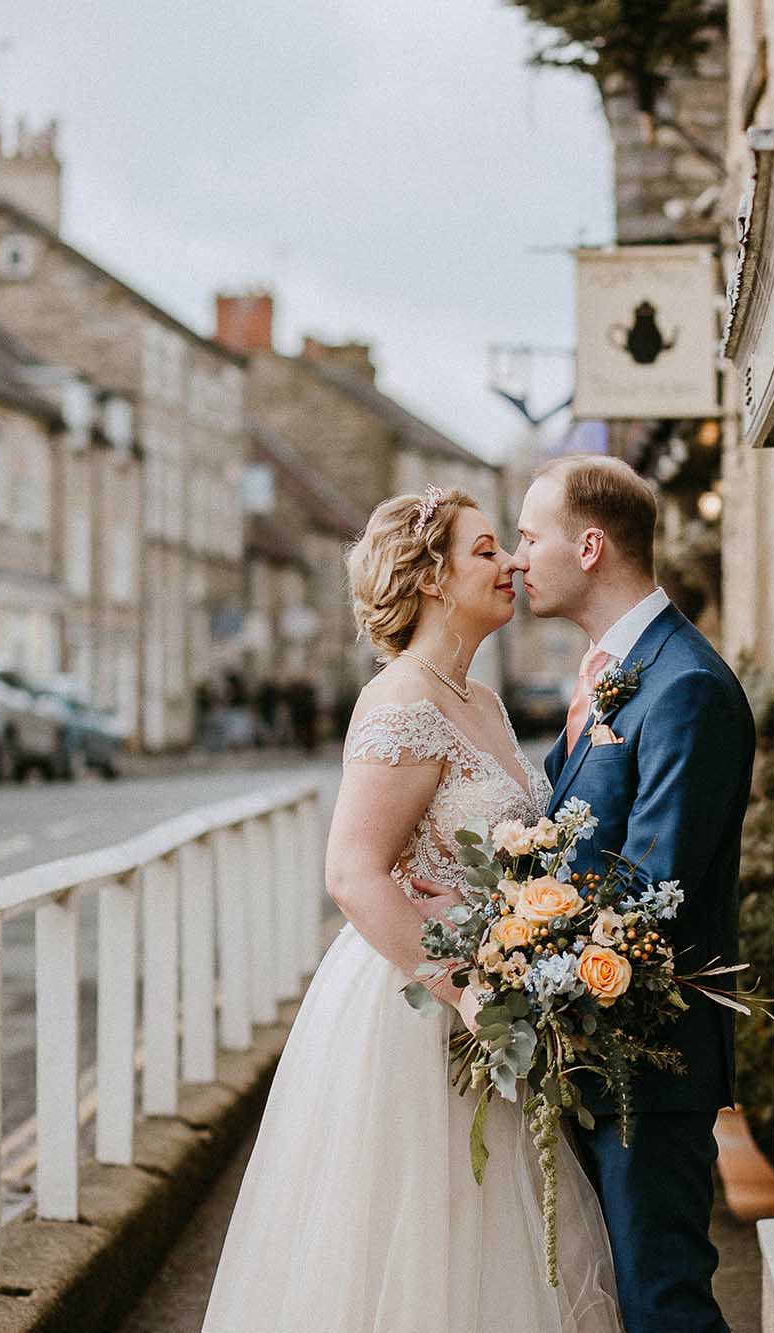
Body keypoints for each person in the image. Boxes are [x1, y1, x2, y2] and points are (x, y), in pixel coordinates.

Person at [201, 486, 621, 1333]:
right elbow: (354, 873)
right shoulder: (400, 702)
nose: (511, 564)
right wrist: (462, 983)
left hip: (489, 998)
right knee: (409, 1251)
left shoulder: (485, 702)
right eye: (485, 550)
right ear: (430, 576)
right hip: (416, 1007)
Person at [504, 454, 756, 1333]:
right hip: (595, 1054)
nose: (517, 558)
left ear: (590, 544)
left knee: (662, 1302)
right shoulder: (619, 670)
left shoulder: (684, 685)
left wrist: (514, 950)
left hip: (649, 1064)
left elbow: (655, 892)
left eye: (531, 537)